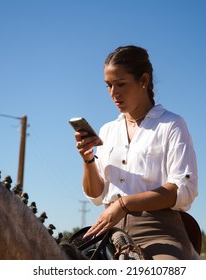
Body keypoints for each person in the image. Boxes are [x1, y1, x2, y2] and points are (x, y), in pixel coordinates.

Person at [73, 45, 198, 260]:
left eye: (121, 84)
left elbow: (182, 190)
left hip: (158, 232)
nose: (113, 93)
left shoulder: (172, 124)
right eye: (109, 86)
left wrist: (124, 204)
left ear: (143, 80)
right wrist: (88, 160)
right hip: (108, 231)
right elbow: (96, 195)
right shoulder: (107, 130)